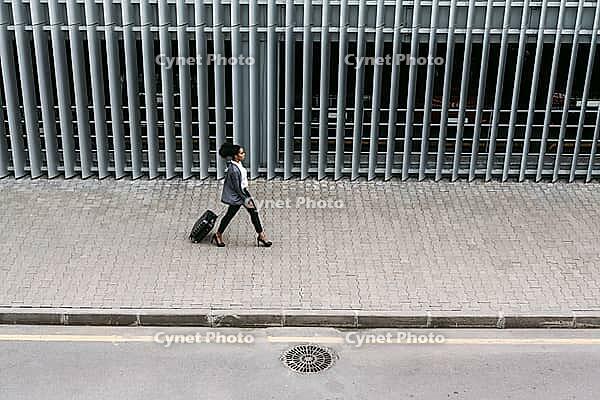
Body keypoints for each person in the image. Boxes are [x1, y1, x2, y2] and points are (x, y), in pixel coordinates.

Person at [212, 142, 273, 247]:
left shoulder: (237, 164)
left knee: (253, 213)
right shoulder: (234, 170)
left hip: (243, 192)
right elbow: (237, 188)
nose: (244, 154)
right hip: (239, 196)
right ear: (236, 156)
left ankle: (261, 235)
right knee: (230, 215)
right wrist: (246, 199)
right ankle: (218, 235)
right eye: (241, 153)